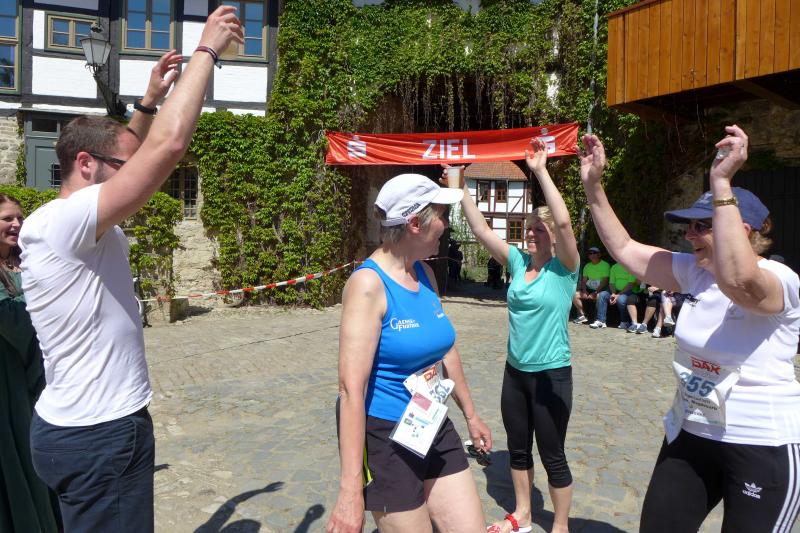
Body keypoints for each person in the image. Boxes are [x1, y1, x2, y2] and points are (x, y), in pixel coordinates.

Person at [19, 9, 243, 532]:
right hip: (99, 436)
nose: (135, 176)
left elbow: (123, 153)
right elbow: (168, 147)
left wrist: (148, 101)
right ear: (84, 165)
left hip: (82, 429)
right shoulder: (68, 222)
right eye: (123, 168)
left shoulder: (69, 222)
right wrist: (206, 52)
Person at [578, 126, 800, 532]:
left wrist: (721, 181)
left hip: (761, 442)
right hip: (692, 429)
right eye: (689, 226)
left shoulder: (779, 279)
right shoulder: (693, 271)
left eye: (702, 225)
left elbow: (740, 282)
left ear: (741, 229)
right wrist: (593, 186)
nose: (689, 234)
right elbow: (624, 248)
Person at [326, 173, 493, 533]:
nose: (446, 225)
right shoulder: (368, 285)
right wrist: (350, 491)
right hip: (385, 436)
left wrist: (471, 414)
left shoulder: (426, 274)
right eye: (441, 216)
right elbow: (351, 391)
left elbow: (445, 349)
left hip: (430, 420)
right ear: (415, 224)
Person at [454, 138, 579, 533]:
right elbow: (479, 229)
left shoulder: (565, 268)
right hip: (516, 373)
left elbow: (565, 223)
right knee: (519, 449)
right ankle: (523, 513)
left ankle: (560, 525)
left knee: (553, 455)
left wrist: (540, 170)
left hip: (551, 375)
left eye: (539, 229)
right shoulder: (518, 261)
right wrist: (461, 188)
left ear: (553, 235)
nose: (532, 234)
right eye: (529, 228)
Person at [0, 194, 60, 533]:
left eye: (20, 218)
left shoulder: (26, 261)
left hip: (37, 378)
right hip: (8, 380)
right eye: (7, 218)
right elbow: (16, 323)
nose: (16, 224)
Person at [572, 246, 610, 327]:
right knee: (574, 295)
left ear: (599, 254)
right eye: (590, 253)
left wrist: (596, 292)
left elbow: (605, 281)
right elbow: (584, 280)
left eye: (594, 253)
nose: (592, 255)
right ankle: (583, 315)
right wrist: (584, 291)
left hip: (602, 289)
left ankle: (599, 320)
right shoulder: (587, 266)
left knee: (599, 296)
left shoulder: (605, 265)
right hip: (589, 289)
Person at [607, 261, 642, 331]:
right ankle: (600, 320)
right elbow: (611, 283)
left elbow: (630, 284)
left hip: (629, 291)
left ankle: (625, 321)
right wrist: (613, 293)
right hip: (615, 291)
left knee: (621, 300)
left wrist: (618, 295)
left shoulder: (631, 267)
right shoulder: (614, 267)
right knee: (602, 295)